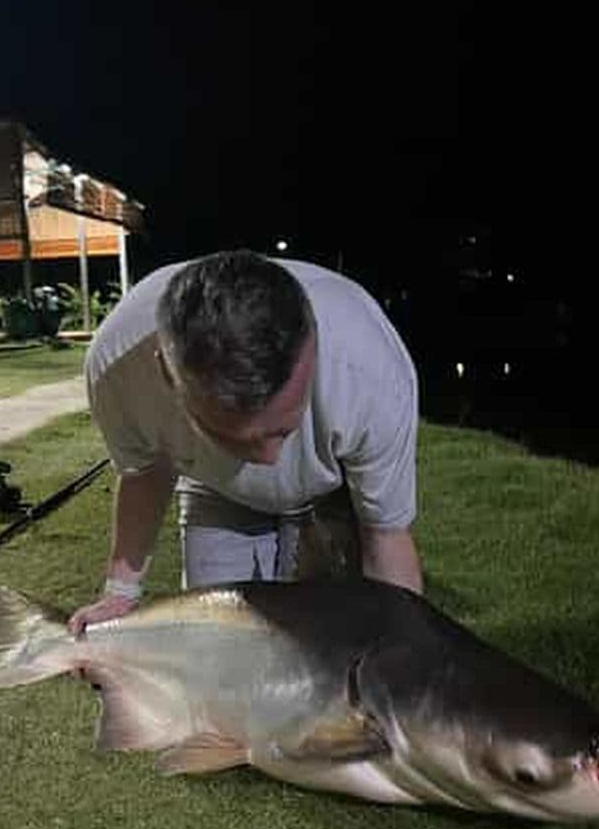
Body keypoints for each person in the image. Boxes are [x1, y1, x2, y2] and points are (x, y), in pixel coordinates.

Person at [67, 250, 422, 634]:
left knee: (333, 639)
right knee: (217, 644)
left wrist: (403, 646)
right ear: (168, 377)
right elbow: (145, 472)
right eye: (230, 437)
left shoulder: (372, 377)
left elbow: (384, 535)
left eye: (283, 430)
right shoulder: (117, 370)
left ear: (314, 350)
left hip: (332, 489)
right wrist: (120, 592)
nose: (268, 460)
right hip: (213, 486)